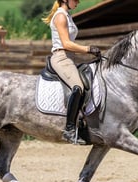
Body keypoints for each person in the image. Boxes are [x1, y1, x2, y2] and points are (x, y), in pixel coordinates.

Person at [42, 0, 101, 145]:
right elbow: (66, 43)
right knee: (78, 86)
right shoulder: (61, 16)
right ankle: (69, 130)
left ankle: (83, 122)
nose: (78, 2)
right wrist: (88, 49)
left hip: (70, 59)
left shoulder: (67, 15)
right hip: (61, 58)